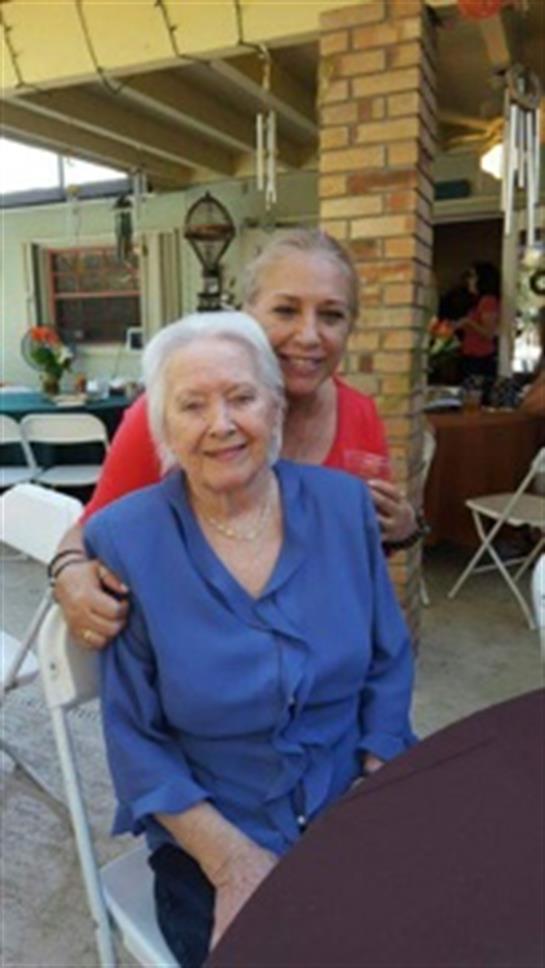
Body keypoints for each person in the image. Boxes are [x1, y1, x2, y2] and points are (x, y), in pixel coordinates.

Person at [84, 311, 416, 967]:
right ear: (163, 427)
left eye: (241, 397)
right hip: (212, 832)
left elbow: (388, 660)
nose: (221, 423)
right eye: (193, 405)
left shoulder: (345, 507)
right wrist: (232, 862)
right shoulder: (125, 538)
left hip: (348, 799)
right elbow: (134, 739)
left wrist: (376, 783)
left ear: (274, 407)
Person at [51, 229, 420, 648]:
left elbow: (357, 554)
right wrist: (68, 572)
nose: (309, 335)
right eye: (285, 311)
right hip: (204, 663)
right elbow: (92, 527)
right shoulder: (174, 416)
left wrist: (404, 529)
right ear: (248, 315)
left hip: (321, 659)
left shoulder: (360, 415)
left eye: (331, 315)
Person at [453, 261, 501, 381]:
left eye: (473, 276)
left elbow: (488, 333)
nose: (469, 280)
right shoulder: (477, 301)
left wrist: (468, 322)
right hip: (470, 357)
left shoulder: (488, 301)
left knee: (474, 396)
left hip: (480, 360)